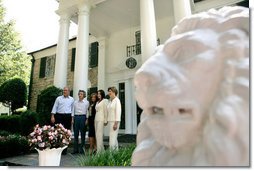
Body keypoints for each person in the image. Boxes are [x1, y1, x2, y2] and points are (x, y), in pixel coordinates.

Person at [51, 86, 74, 154]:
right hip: (59, 116)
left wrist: (72, 118)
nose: (64, 91)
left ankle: (64, 149)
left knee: (67, 133)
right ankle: (57, 147)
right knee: (58, 131)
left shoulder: (72, 99)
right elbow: (55, 107)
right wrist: (52, 116)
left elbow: (72, 110)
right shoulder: (58, 98)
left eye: (66, 90)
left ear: (69, 92)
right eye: (64, 90)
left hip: (68, 116)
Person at [71, 90, 89, 154]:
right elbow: (73, 110)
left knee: (83, 134)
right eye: (79, 94)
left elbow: (87, 111)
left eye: (81, 94)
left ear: (84, 95)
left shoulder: (86, 102)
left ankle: (82, 149)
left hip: (83, 118)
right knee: (76, 134)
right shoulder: (75, 102)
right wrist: (72, 119)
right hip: (76, 118)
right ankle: (75, 149)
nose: (80, 95)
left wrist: (87, 119)